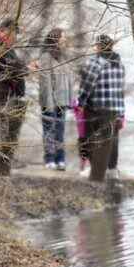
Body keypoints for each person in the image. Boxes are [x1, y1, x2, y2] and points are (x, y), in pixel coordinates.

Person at [77, 34, 126, 181]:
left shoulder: (95, 62)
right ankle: (112, 170)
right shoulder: (119, 64)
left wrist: (80, 103)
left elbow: (86, 86)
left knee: (93, 139)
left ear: (100, 46)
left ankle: (95, 170)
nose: (95, 48)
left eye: (96, 45)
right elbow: (120, 91)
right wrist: (121, 112)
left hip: (95, 108)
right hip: (114, 109)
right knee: (112, 139)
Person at [0, 18, 28, 176]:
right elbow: (14, 69)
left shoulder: (7, 47)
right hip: (5, 96)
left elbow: (17, 67)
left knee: (11, 133)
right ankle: (3, 169)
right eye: (13, 32)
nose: (15, 36)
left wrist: (23, 68)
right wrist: (24, 68)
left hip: (12, 96)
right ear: (5, 30)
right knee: (7, 133)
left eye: (16, 33)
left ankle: (6, 165)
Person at [36, 28, 74, 171]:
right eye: (63, 37)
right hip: (49, 101)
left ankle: (60, 159)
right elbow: (45, 82)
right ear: (56, 39)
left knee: (60, 131)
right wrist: (49, 103)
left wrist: (70, 100)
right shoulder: (46, 57)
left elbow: (69, 80)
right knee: (49, 131)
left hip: (62, 102)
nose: (65, 40)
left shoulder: (64, 57)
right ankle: (50, 159)